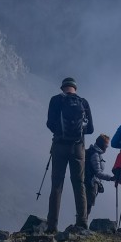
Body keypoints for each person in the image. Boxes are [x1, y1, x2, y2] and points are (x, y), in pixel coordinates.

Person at [45, 77, 95, 232]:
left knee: (57, 185)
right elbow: (91, 128)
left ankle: (52, 225)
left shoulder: (55, 100)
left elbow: (49, 123)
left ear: (63, 88)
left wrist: (60, 133)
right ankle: (82, 222)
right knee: (79, 184)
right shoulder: (83, 102)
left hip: (60, 146)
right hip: (78, 148)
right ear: (75, 88)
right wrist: (79, 133)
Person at [84, 134, 115, 215]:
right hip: (91, 183)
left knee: (85, 205)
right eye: (106, 145)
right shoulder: (95, 154)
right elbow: (98, 173)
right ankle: (82, 224)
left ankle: (81, 224)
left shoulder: (93, 152)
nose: (107, 147)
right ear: (102, 145)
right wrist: (111, 178)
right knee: (88, 205)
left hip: (88, 181)